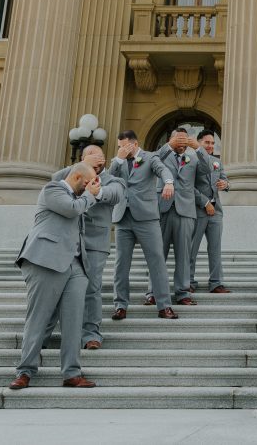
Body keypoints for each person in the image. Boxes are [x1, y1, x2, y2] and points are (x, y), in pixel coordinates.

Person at [10, 163, 100, 389]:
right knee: (38, 318)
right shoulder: (52, 190)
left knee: (73, 322)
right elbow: (71, 209)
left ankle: (72, 373)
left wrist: (88, 194)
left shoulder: (80, 197)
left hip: (76, 265)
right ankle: (25, 372)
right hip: (45, 260)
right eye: (88, 183)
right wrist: (90, 195)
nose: (90, 188)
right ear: (78, 177)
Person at [48, 146, 125, 350]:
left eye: (99, 159)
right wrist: (81, 167)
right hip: (67, 240)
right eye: (91, 159)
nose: (96, 163)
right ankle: (47, 333)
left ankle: (91, 333)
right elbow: (54, 179)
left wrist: (96, 190)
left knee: (92, 288)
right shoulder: (71, 173)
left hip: (95, 242)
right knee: (58, 288)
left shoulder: (112, 180)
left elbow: (115, 194)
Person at [109, 130, 179, 320]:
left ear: (134, 144)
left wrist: (169, 182)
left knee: (156, 261)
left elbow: (163, 170)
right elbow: (108, 178)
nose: (121, 149)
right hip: (123, 218)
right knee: (121, 264)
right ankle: (120, 306)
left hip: (147, 218)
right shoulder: (118, 161)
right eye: (119, 146)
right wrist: (119, 159)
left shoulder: (150, 158)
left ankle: (164, 306)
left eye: (124, 145)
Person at [145, 128, 208, 306]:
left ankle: (182, 292)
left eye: (184, 139)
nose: (181, 142)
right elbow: (152, 160)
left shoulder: (194, 157)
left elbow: (207, 169)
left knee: (184, 254)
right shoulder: (162, 155)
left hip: (186, 211)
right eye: (178, 139)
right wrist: (168, 146)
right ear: (171, 140)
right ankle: (153, 292)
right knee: (158, 254)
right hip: (162, 209)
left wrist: (198, 148)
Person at [190, 129, 231, 294]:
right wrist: (205, 202)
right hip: (198, 210)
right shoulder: (190, 160)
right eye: (207, 142)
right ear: (199, 143)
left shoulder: (216, 162)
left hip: (216, 212)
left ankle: (216, 283)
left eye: (213, 143)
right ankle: (188, 282)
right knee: (191, 249)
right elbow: (188, 187)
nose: (210, 146)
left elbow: (225, 178)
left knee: (215, 248)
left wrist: (226, 185)